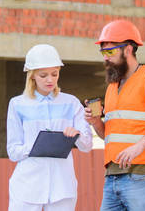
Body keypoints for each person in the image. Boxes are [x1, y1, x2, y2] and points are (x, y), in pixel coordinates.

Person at [85, 20, 145, 211]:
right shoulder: (113, 86)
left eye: (110, 51)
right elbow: (110, 136)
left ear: (128, 49)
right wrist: (96, 122)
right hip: (112, 177)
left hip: (141, 177)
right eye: (103, 53)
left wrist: (139, 146)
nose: (105, 58)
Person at [7, 44, 93, 211]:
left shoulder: (71, 103)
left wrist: (77, 135)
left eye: (55, 74)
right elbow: (13, 151)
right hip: (27, 185)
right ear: (32, 76)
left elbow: (87, 145)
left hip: (62, 186)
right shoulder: (17, 104)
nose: (50, 80)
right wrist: (38, 146)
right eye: (43, 75)